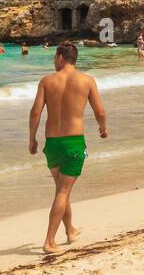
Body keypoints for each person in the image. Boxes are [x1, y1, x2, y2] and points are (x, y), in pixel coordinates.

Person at [27, 41, 108, 253]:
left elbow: (35, 112)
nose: (54, 61)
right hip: (73, 143)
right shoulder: (87, 80)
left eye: (54, 57)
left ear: (61, 57)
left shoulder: (46, 81)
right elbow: (100, 112)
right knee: (63, 191)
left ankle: (70, 230)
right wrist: (103, 129)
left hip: (52, 144)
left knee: (61, 190)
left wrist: (32, 138)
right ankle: (49, 241)